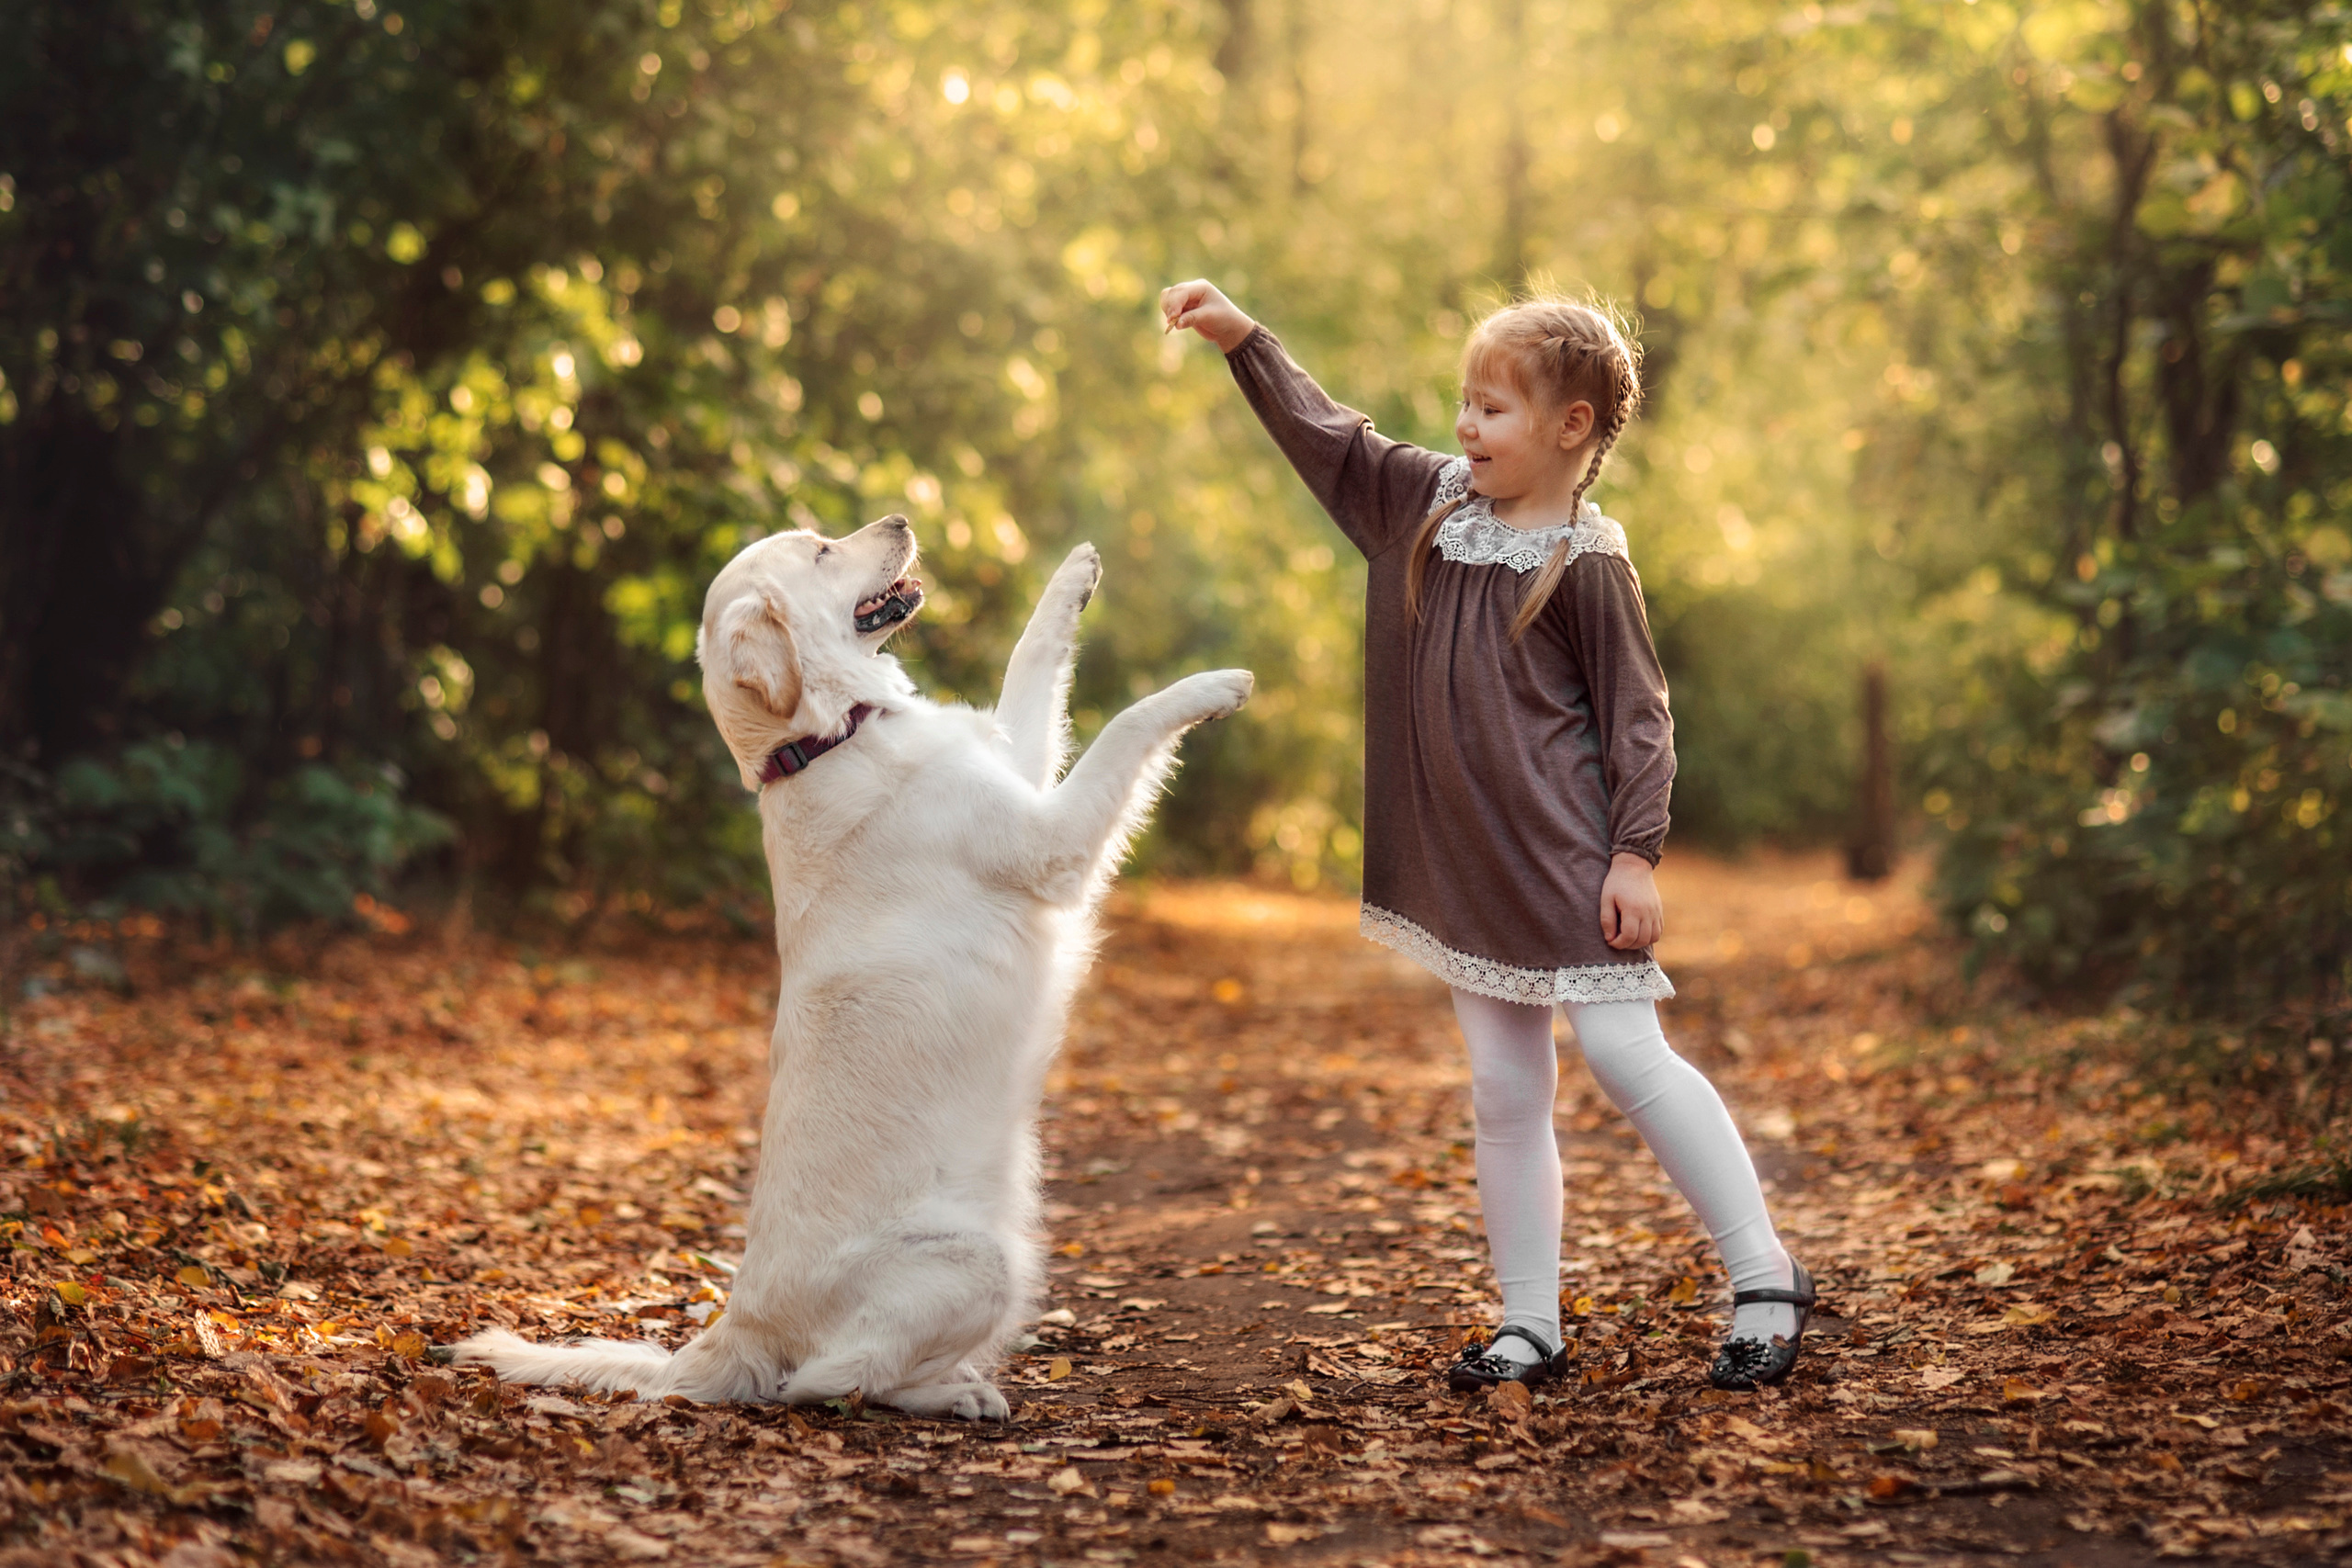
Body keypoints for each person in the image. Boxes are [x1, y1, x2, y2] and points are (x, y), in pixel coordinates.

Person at [1159, 278, 1815, 1393]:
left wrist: (1634, 853)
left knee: (1624, 1056)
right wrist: (1243, 340)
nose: (1465, 426)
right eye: (1463, 402)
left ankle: (1763, 1273)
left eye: (1493, 409)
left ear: (1570, 429)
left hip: (1566, 862)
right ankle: (1529, 1324)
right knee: (1505, 1095)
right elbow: (1334, 439)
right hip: (1470, 866)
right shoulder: (1422, 507)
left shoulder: (1587, 562)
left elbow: (1638, 716)